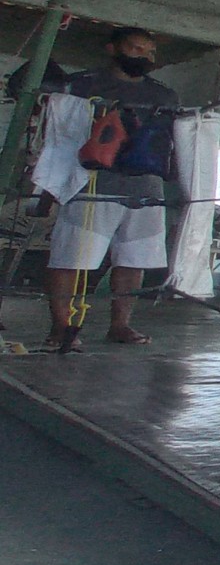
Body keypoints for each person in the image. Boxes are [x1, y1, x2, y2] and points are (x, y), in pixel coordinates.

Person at [45, 27, 177, 350]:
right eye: (134, 48)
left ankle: (120, 325)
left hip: (146, 188)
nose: (143, 56)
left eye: (149, 52)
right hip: (91, 184)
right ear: (112, 48)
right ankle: (61, 328)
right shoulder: (82, 84)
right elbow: (59, 130)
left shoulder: (165, 96)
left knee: (134, 258)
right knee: (71, 258)